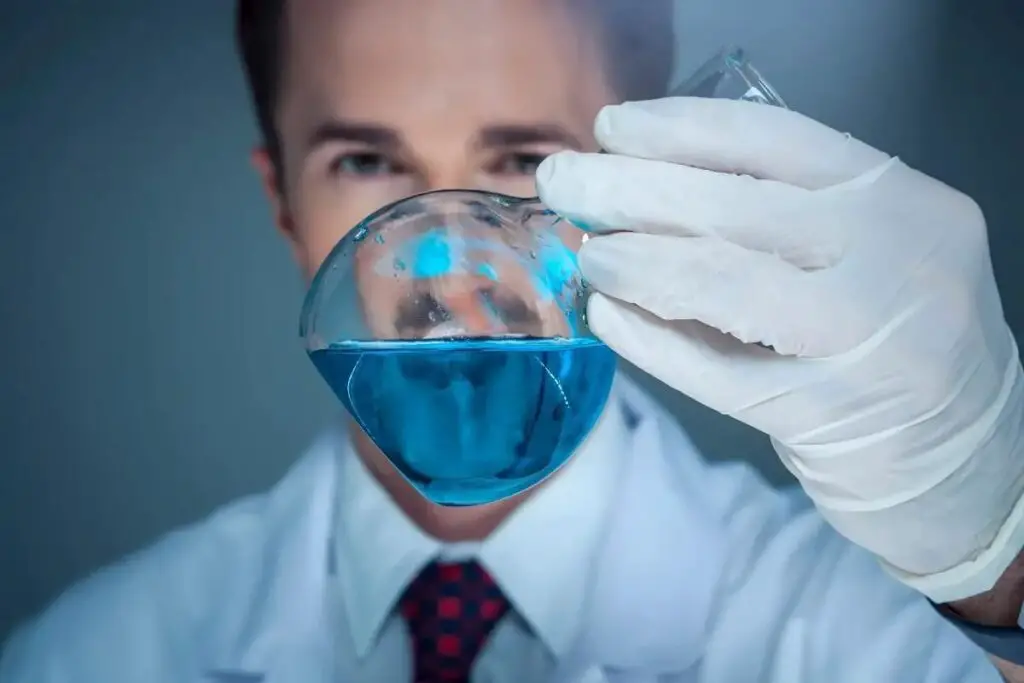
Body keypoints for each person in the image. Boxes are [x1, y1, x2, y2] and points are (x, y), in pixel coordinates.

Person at [2, 0, 1022, 680]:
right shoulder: (93, 654)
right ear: (282, 205)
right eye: (366, 161)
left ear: (646, 185)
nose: (446, 261)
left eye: (526, 157)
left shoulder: (881, 635)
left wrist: (996, 565)